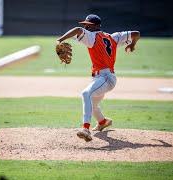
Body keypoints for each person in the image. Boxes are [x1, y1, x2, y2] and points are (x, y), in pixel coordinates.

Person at [56, 14, 140, 142]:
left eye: (88, 25)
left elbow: (77, 30)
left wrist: (60, 40)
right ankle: (103, 121)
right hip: (102, 78)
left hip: (105, 77)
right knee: (92, 103)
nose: (85, 27)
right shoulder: (113, 37)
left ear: (95, 26)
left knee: (86, 94)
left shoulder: (91, 36)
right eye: (85, 24)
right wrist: (132, 45)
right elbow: (136, 33)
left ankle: (85, 129)